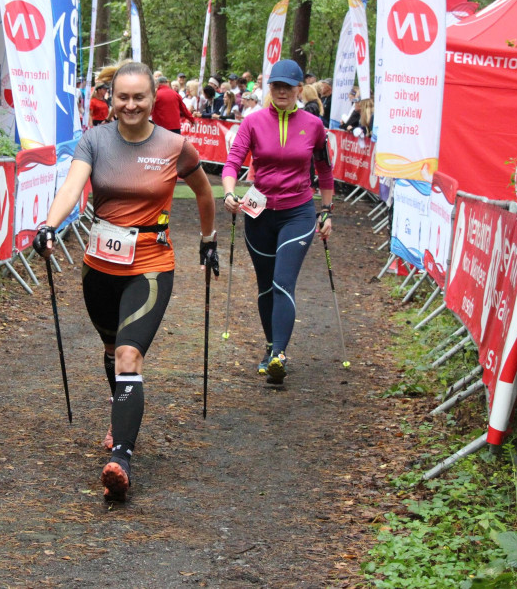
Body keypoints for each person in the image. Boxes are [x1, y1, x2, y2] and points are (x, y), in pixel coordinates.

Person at [33, 61, 219, 502]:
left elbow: (205, 192)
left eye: (139, 97)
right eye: (123, 97)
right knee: (110, 348)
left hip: (151, 263)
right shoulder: (95, 139)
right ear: (110, 98)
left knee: (129, 355)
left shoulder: (175, 146)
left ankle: (121, 457)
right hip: (99, 265)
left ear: (154, 99)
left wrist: (208, 239)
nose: (130, 105)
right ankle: (122, 415)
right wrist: (50, 225)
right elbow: (72, 186)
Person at [221, 58, 335, 385]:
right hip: (259, 212)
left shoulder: (313, 125)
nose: (282, 91)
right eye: (276, 85)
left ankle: (279, 356)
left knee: (283, 281)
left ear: (300, 88)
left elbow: (325, 171)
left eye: (288, 86)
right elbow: (232, 163)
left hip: (297, 212)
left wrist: (326, 210)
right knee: (265, 285)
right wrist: (229, 194)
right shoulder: (253, 122)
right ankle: (270, 345)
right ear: (269, 88)